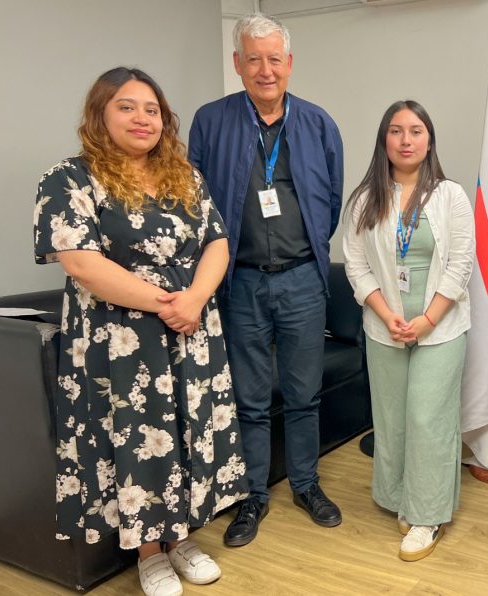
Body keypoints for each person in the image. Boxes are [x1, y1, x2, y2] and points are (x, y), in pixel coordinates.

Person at [33, 67, 248, 596]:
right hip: (120, 343)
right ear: (100, 114)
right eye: (127, 106)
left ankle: (180, 539)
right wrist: (167, 304)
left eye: (151, 109)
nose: (142, 118)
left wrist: (194, 299)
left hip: (189, 330)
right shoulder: (68, 178)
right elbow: (79, 262)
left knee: (185, 432)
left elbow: (216, 241)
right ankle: (148, 551)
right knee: (136, 437)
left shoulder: (185, 175)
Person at [189, 13, 344, 545]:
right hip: (240, 285)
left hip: (303, 280)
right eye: (253, 58)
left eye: (274, 58)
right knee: (250, 400)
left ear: (289, 64)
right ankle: (252, 496)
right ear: (237, 64)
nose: (264, 69)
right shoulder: (211, 122)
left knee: (304, 394)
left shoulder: (319, 123)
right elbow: (198, 206)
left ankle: (305, 484)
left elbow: (332, 202)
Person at [343, 100, 473, 562]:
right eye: (396, 131)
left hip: (439, 326)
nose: (406, 140)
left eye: (416, 131)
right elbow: (357, 267)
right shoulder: (364, 199)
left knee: (426, 417)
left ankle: (428, 514)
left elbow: (461, 265)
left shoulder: (449, 195)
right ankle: (401, 496)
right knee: (393, 417)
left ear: (429, 140)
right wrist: (386, 314)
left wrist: (427, 319)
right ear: (384, 142)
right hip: (386, 327)